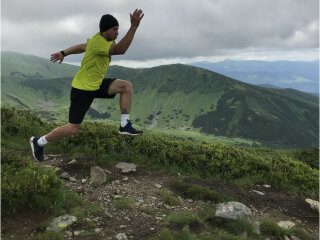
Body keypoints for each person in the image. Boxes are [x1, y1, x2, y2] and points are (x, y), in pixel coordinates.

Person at [30, 9, 144, 162]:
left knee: (126, 86)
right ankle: (39, 142)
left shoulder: (101, 41)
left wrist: (64, 52)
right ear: (105, 30)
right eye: (114, 29)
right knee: (72, 128)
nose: (117, 32)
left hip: (95, 85)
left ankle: (124, 125)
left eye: (118, 29)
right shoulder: (99, 43)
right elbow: (120, 50)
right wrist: (133, 27)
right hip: (82, 89)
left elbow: (83, 46)